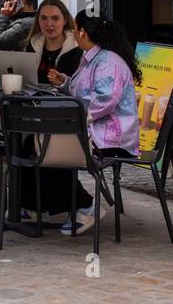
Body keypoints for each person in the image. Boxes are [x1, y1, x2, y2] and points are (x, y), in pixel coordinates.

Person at [20, 12, 142, 235]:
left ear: (83, 32)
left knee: (49, 148)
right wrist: (65, 82)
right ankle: (37, 205)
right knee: (34, 142)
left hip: (110, 137)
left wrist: (72, 117)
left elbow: (105, 99)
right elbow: (84, 92)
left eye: (74, 28)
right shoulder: (91, 58)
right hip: (92, 128)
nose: (73, 33)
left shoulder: (108, 62)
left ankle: (85, 205)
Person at [30, 0, 83, 83]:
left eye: (55, 18)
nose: (49, 23)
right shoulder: (31, 45)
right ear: (38, 20)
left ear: (65, 20)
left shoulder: (78, 48)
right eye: (44, 18)